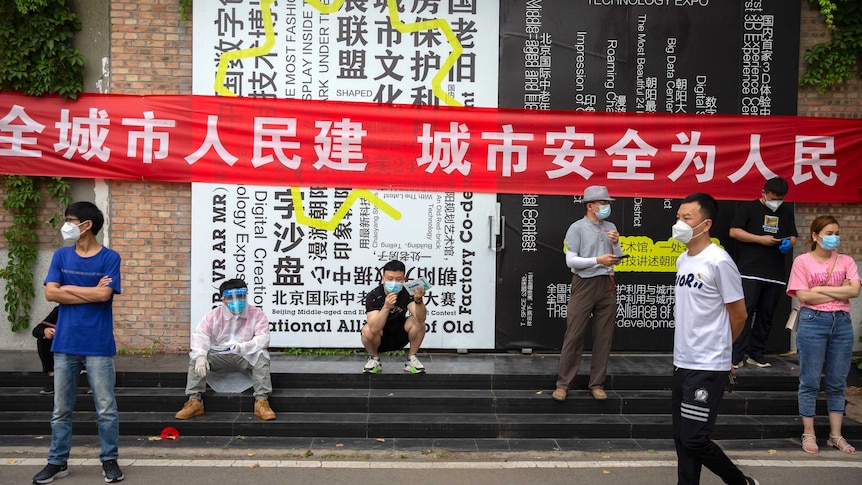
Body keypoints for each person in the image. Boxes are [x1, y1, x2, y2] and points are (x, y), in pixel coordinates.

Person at [33, 201, 124, 484]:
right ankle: (57, 462)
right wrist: (86, 290)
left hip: (97, 343)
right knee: (61, 408)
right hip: (64, 343)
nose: (66, 225)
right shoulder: (61, 256)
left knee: (106, 407)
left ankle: (109, 459)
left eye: (70, 220)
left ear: (87, 225)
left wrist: (67, 288)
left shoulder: (110, 257)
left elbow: (103, 297)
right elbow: (50, 295)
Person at [671, 193, 758, 485]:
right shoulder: (683, 259)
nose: (679, 223)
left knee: (695, 439)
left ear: (705, 224)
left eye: (687, 218)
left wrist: (723, 353)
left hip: (708, 365)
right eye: (678, 217)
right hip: (682, 362)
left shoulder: (719, 261)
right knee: (683, 439)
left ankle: (740, 482)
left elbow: (739, 314)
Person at [786, 215, 859, 455]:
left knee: (838, 382)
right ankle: (809, 432)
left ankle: (835, 435)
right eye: (828, 233)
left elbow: (855, 291)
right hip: (812, 322)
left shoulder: (846, 260)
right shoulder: (802, 261)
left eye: (836, 232)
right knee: (810, 380)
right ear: (815, 236)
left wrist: (820, 289)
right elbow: (804, 297)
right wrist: (840, 292)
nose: (834, 237)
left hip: (842, 323)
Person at [553, 185, 622, 402]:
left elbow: (617, 258)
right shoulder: (577, 228)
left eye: (608, 203)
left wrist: (616, 245)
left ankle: (597, 384)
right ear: (590, 206)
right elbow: (570, 260)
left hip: (607, 284)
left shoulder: (610, 227)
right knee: (574, 335)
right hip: (584, 284)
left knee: (604, 336)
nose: (607, 207)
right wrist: (597, 260)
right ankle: (563, 384)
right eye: (603, 203)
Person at [175, 278, 276, 421]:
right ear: (223, 300)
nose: (237, 301)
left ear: (246, 296)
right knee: (196, 358)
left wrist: (244, 347)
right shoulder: (214, 315)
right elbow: (201, 335)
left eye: (240, 296)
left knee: (261, 355)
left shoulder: (257, 314)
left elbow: (263, 338)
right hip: (220, 355)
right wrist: (201, 356)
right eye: (231, 298)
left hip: (245, 356)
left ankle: (261, 402)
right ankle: (194, 400)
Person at [729, 176, 797, 368]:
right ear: (764, 193)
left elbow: (793, 236)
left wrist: (787, 243)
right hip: (750, 271)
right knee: (745, 313)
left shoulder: (786, 211)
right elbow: (734, 232)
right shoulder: (749, 208)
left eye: (780, 198)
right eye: (773, 197)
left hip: (775, 272)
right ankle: (735, 355)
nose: (776, 201)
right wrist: (760, 239)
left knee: (766, 315)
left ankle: (756, 354)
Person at [361, 260, 427, 374]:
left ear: (404, 279)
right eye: (390, 279)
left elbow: (421, 318)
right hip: (380, 338)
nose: (394, 282)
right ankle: (374, 359)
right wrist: (386, 307)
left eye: (398, 279)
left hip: (401, 334)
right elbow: (374, 329)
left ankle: (411, 359)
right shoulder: (374, 296)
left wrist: (418, 301)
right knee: (367, 330)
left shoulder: (407, 293)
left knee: (418, 323)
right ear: (383, 278)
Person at [32, 306, 59, 395]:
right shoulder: (61, 310)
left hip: (90, 349)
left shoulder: (97, 309)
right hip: (67, 347)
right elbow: (37, 330)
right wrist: (45, 331)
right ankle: (53, 376)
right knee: (43, 339)